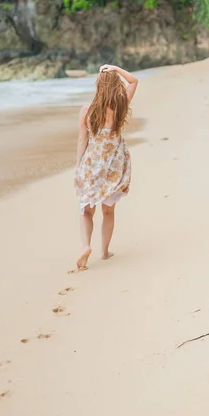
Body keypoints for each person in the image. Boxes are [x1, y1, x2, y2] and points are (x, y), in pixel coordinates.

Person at [74, 64, 139, 270]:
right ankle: (104, 251)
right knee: (108, 211)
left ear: (98, 86)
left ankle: (86, 246)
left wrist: (78, 167)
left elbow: (82, 141)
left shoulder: (87, 111)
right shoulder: (121, 106)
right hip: (114, 164)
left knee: (86, 211)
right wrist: (115, 68)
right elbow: (134, 81)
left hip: (92, 164)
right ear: (115, 86)